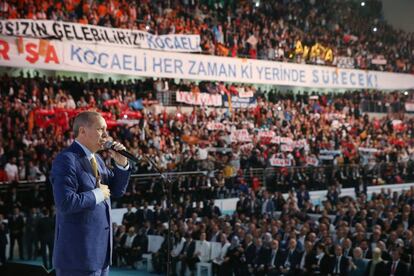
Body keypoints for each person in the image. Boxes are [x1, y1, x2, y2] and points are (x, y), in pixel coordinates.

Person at [51, 111, 131, 276]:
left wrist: (121, 164)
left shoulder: (98, 160)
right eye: (101, 129)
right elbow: (65, 203)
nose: (106, 135)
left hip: (100, 256)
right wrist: (98, 194)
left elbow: (116, 191)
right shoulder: (66, 159)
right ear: (82, 131)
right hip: (78, 258)